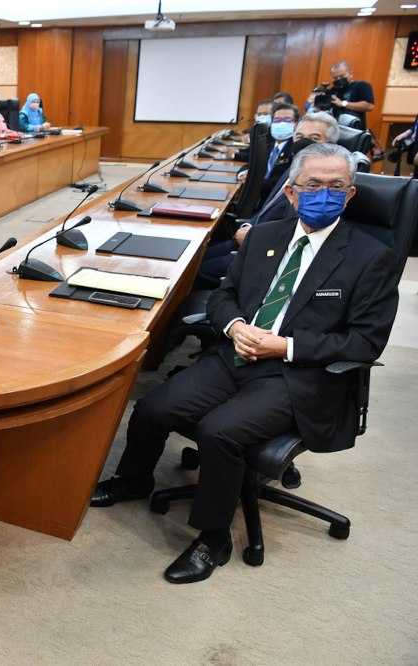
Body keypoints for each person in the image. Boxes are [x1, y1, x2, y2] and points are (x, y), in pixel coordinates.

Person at [90, 143, 398, 584]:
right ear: (292, 192)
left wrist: (284, 346)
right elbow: (223, 296)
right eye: (313, 185)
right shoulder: (265, 237)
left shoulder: (372, 258)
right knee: (154, 407)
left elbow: (366, 341)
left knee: (221, 431)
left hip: (298, 373)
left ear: (350, 196)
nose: (324, 193)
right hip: (235, 352)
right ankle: (135, 479)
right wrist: (235, 326)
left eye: (336, 186)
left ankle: (213, 537)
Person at [196, 112, 339, 289]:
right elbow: (268, 208)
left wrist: (254, 235)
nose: (304, 143)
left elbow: (298, 233)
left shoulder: (324, 190)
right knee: (195, 256)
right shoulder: (295, 169)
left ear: (331, 145)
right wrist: (248, 226)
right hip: (252, 235)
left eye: (314, 139)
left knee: (196, 271)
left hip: (266, 253)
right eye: (300, 137)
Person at [308, 62, 374, 130]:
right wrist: (316, 103)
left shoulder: (361, 85)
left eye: (342, 76)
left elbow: (369, 106)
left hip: (354, 130)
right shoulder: (332, 90)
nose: (339, 79)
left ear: (351, 74)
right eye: (335, 78)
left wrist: (342, 103)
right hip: (333, 129)